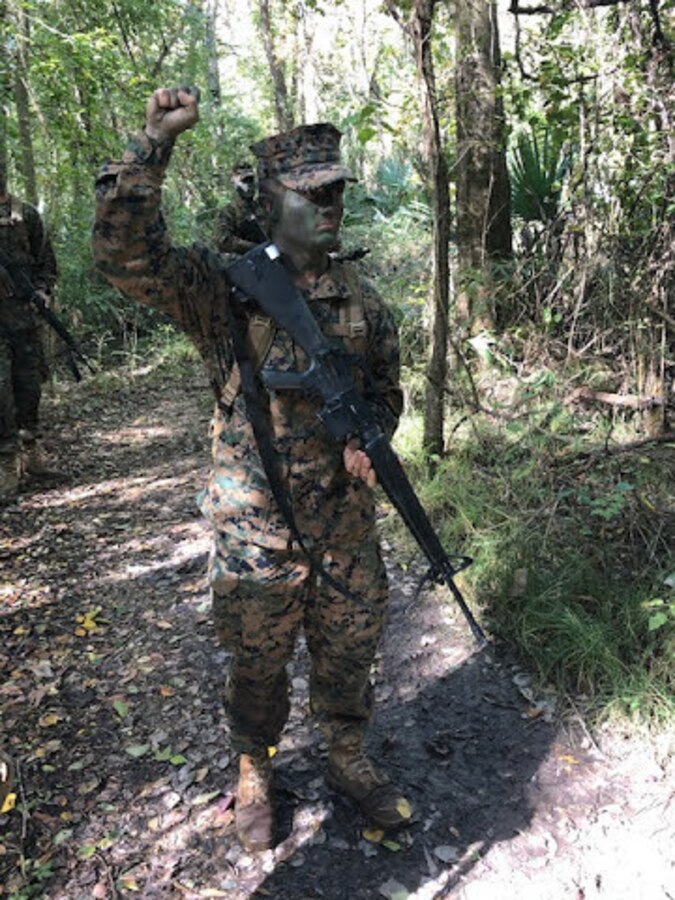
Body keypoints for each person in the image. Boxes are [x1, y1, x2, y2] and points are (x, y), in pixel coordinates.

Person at [92, 86, 412, 851]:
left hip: (343, 523)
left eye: (335, 191)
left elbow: (385, 391)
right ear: (271, 200)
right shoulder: (224, 291)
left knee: (350, 648)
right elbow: (125, 258)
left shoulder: (364, 300)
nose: (329, 205)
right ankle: (254, 767)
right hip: (255, 529)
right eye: (311, 193)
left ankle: (345, 753)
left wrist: (371, 438)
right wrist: (154, 143)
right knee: (258, 664)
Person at [0, 166, 58, 499]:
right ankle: (7, 460)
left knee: (29, 386)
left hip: (24, 319)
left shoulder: (26, 215)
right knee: (1, 390)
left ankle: (31, 448)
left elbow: (45, 261)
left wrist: (43, 290)